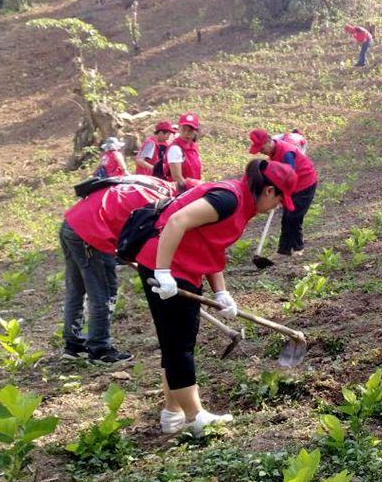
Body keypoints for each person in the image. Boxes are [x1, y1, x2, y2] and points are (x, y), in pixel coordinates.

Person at [136, 159, 298, 435]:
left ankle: (172, 413)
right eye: (281, 200)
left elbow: (212, 245)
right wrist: (163, 272)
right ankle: (195, 417)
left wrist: (221, 291)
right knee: (180, 344)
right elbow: (177, 221)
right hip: (167, 267)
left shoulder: (242, 204)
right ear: (269, 191)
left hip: (183, 267)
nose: (279, 207)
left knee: (175, 341)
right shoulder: (228, 199)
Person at [60, 175, 175, 364]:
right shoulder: (160, 204)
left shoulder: (155, 184)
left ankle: (74, 345)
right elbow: (142, 239)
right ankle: (100, 349)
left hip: (72, 224)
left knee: (77, 289)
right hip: (90, 233)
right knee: (103, 291)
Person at [248, 128, 319, 255]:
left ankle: (298, 249)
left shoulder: (287, 153)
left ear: (268, 141)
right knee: (286, 218)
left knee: (294, 217)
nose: (262, 152)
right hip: (293, 185)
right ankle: (283, 251)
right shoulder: (273, 152)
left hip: (305, 184)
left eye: (262, 149)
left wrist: (281, 195)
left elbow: (289, 175)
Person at [166, 112, 203, 192]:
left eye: (190, 131)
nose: (186, 133)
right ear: (179, 129)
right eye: (184, 130)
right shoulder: (175, 148)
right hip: (179, 193)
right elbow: (177, 177)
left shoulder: (193, 147)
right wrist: (191, 192)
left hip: (192, 188)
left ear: (195, 131)